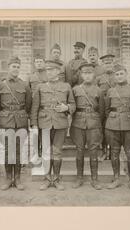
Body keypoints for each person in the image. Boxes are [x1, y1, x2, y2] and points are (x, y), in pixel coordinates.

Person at [31, 60, 76, 191]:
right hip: (44, 122)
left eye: (51, 70)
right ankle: (46, 179)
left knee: (57, 152)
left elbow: (73, 105)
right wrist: (34, 124)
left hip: (60, 123)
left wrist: (66, 107)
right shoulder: (40, 87)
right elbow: (35, 107)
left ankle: (56, 179)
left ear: (58, 71)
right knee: (45, 152)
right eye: (47, 70)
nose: (48, 72)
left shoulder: (66, 86)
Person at [0, 57, 32, 191]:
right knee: (7, 151)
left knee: (18, 151)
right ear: (8, 67)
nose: (15, 69)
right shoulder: (0, 86)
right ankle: (8, 178)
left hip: (20, 121)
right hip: (6, 121)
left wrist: (20, 114)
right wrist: (6, 114)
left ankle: (17, 178)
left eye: (17, 66)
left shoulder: (25, 85)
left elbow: (28, 105)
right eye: (13, 66)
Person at [104, 64, 130, 192]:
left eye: (121, 74)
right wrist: (112, 121)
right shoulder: (110, 91)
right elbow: (106, 110)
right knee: (114, 153)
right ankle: (116, 179)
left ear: (126, 74)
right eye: (117, 74)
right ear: (114, 77)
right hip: (113, 126)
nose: (119, 76)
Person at [70, 62, 105, 190]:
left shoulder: (99, 91)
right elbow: (72, 107)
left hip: (94, 124)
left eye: (90, 73)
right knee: (79, 150)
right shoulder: (75, 90)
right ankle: (79, 178)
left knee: (93, 151)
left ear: (94, 74)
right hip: (78, 123)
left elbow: (102, 111)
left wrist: (97, 123)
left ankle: (94, 179)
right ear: (81, 75)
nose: (87, 75)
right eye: (85, 73)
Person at [96, 53, 116, 160]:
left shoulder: (117, 76)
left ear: (113, 64)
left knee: (113, 130)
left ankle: (113, 153)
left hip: (114, 107)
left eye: (110, 63)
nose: (108, 65)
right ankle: (103, 151)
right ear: (102, 65)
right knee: (103, 129)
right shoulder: (99, 78)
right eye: (106, 63)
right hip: (102, 107)